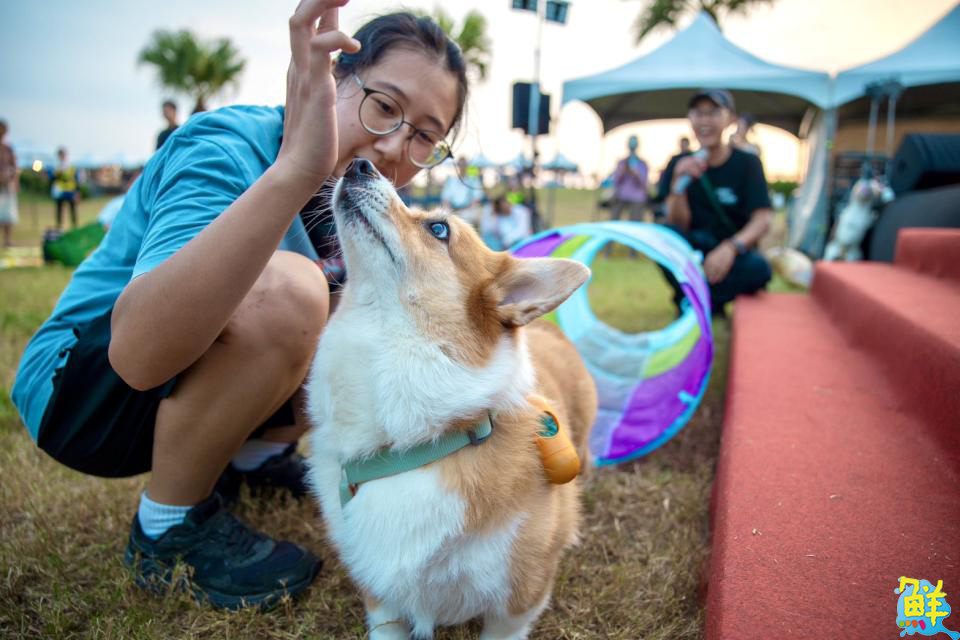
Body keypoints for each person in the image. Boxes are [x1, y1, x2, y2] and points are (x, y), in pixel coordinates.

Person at [11, 2, 468, 610]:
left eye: (424, 137)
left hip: (173, 388)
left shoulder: (356, 202)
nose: (392, 147)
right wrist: (295, 173)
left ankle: (249, 460)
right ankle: (167, 529)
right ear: (334, 78)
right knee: (293, 291)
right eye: (384, 107)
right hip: (83, 392)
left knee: (372, 319)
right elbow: (140, 354)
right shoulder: (225, 145)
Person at [658, 89, 772, 314]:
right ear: (690, 119)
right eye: (698, 114)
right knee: (664, 239)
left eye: (713, 113)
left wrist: (731, 248)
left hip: (733, 247)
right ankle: (703, 298)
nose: (705, 121)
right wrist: (678, 186)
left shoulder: (748, 163)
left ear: (730, 119)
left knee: (759, 270)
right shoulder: (679, 162)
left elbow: (763, 218)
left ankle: (698, 299)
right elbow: (678, 223)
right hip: (694, 248)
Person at [610, 135, 649, 223]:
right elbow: (615, 182)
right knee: (615, 213)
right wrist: (623, 172)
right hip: (621, 195)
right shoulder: (622, 162)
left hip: (637, 196)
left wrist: (636, 174)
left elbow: (644, 184)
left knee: (635, 218)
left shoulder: (642, 163)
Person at [440, 156, 482, 225]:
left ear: (467, 165)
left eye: (464, 165)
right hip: (453, 210)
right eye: (460, 165)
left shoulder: (473, 180)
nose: (462, 167)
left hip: (468, 210)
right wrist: (451, 210)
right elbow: (446, 199)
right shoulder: (451, 180)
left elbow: (477, 199)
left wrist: (465, 209)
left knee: (468, 217)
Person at [0, 120, 18, 247]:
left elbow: (14, 167)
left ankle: (7, 240)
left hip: (7, 186)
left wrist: (13, 180)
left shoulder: (8, 149)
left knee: (8, 214)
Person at [51, 147, 79, 230]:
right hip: (60, 191)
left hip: (70, 191)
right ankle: (59, 226)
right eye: (60, 155)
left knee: (72, 209)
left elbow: (75, 178)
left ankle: (74, 227)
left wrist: (77, 191)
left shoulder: (71, 166)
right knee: (59, 209)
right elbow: (53, 178)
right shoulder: (57, 166)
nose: (62, 157)